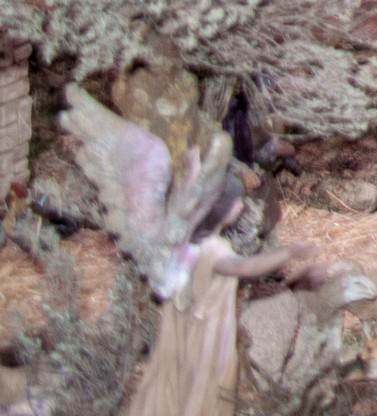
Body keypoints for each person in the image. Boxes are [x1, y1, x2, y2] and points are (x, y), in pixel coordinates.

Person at [125, 173, 316, 416]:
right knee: (208, 388)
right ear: (219, 208)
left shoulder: (185, 240)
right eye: (236, 201)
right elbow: (245, 268)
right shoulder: (213, 249)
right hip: (207, 330)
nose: (241, 205)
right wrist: (289, 253)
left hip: (186, 324)